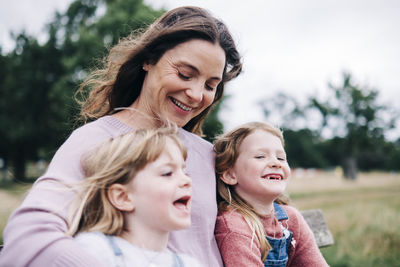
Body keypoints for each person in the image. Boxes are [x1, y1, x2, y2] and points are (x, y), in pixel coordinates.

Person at [0, 6, 242, 267]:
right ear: (148, 60)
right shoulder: (96, 141)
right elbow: (28, 238)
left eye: (210, 85)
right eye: (185, 74)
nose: (196, 94)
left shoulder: (207, 154)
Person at [69, 127, 202, 267]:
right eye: (168, 173)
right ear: (123, 197)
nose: (187, 181)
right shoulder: (96, 250)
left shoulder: (189, 264)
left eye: (185, 172)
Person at [213, 122, 329, 267]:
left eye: (281, 158)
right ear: (230, 174)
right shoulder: (234, 228)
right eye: (260, 156)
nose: (276, 163)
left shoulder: (290, 219)